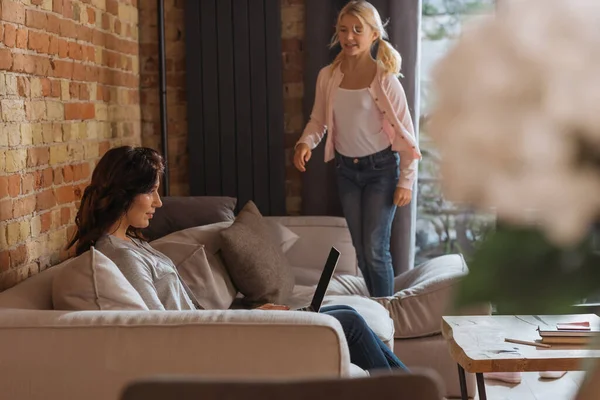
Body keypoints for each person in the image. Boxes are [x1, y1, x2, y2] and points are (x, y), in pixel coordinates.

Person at [67, 145, 407, 372]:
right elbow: (162, 328)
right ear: (125, 193)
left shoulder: (134, 245)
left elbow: (188, 314)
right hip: (219, 348)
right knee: (346, 323)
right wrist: (244, 323)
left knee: (345, 313)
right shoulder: (118, 256)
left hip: (224, 331)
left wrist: (250, 314)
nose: (158, 202)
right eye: (151, 191)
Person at [293, 1, 421, 297]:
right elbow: (318, 121)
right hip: (346, 172)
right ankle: (376, 312)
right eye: (343, 30)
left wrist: (406, 181)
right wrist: (304, 142)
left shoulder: (385, 79)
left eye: (357, 30)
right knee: (361, 252)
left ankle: (389, 317)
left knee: (376, 250)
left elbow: (406, 134)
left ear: (374, 35)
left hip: (381, 172)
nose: (349, 36)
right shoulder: (328, 76)